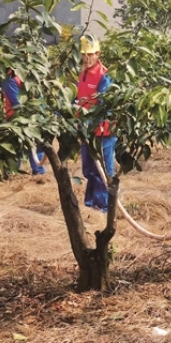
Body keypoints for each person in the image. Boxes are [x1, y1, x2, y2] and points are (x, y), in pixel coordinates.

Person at [76, 35, 116, 213]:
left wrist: (90, 123)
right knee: (89, 169)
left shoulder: (104, 77)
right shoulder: (82, 73)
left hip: (103, 131)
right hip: (86, 130)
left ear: (98, 54)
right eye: (85, 55)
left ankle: (104, 206)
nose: (88, 58)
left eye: (91, 54)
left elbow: (104, 106)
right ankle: (91, 202)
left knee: (104, 170)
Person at [1, 67, 46, 175]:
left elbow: (39, 97)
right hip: (14, 117)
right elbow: (16, 102)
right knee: (15, 145)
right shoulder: (9, 78)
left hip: (33, 115)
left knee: (36, 144)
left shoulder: (32, 75)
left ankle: (39, 172)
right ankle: (12, 172)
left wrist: (41, 113)